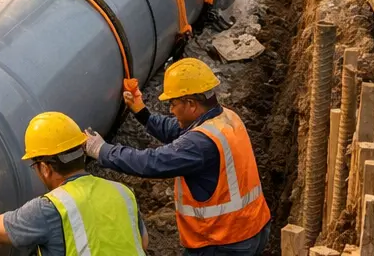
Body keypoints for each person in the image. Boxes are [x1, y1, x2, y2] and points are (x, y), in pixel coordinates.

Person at [84, 58, 271, 256]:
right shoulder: (225, 118)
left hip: (222, 241)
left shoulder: (200, 144)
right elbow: (177, 130)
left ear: (190, 103)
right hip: (252, 228)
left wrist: (101, 150)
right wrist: (142, 113)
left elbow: (151, 162)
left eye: (173, 104)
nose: (171, 110)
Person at [0, 111, 148, 255]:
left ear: (45, 168)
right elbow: (142, 242)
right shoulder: (122, 192)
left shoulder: (50, 208)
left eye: (34, 166)